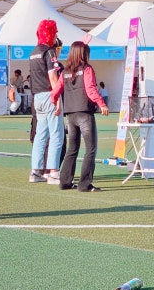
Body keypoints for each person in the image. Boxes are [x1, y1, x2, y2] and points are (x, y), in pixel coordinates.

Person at [50, 41, 109, 192]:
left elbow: (56, 89)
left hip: (71, 114)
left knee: (72, 149)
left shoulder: (65, 71)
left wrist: (54, 101)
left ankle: (65, 182)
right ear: (84, 54)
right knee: (90, 149)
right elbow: (90, 89)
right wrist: (101, 103)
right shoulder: (87, 69)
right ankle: (85, 184)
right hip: (84, 112)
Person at [29, 19, 65, 184]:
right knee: (57, 134)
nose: (56, 35)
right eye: (55, 32)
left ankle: (35, 171)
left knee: (40, 135)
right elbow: (52, 76)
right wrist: (56, 97)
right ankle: (53, 172)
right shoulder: (49, 52)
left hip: (37, 97)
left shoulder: (33, 52)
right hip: (49, 94)